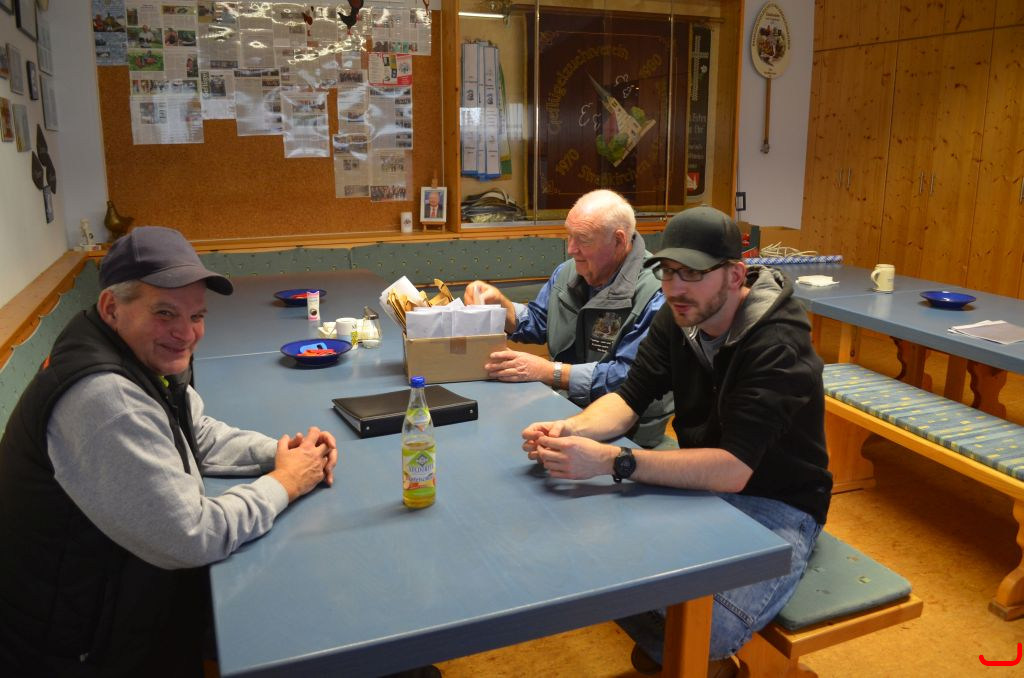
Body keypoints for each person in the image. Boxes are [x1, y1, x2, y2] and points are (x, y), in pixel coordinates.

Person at [0, 226, 340, 676]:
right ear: (111, 307)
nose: (186, 333)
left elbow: (196, 434)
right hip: (78, 649)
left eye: (196, 315)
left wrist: (286, 451)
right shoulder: (105, 400)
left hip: (122, 597)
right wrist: (285, 482)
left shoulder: (132, 351)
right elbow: (194, 535)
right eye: (165, 313)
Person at [520, 206, 832, 676]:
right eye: (667, 272)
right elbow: (629, 398)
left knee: (709, 629)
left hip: (778, 503)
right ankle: (680, 654)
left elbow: (733, 469)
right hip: (703, 484)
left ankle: (692, 656)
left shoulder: (776, 344)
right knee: (588, 558)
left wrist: (614, 461)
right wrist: (569, 430)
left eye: (692, 274)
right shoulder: (679, 318)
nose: (674, 288)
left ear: (735, 275)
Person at [464, 189, 673, 448]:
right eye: (569, 236)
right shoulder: (567, 272)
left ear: (619, 241)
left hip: (631, 433)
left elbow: (626, 378)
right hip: (563, 407)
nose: (571, 249)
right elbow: (540, 321)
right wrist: (502, 307)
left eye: (583, 239)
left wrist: (550, 372)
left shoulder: (657, 293)